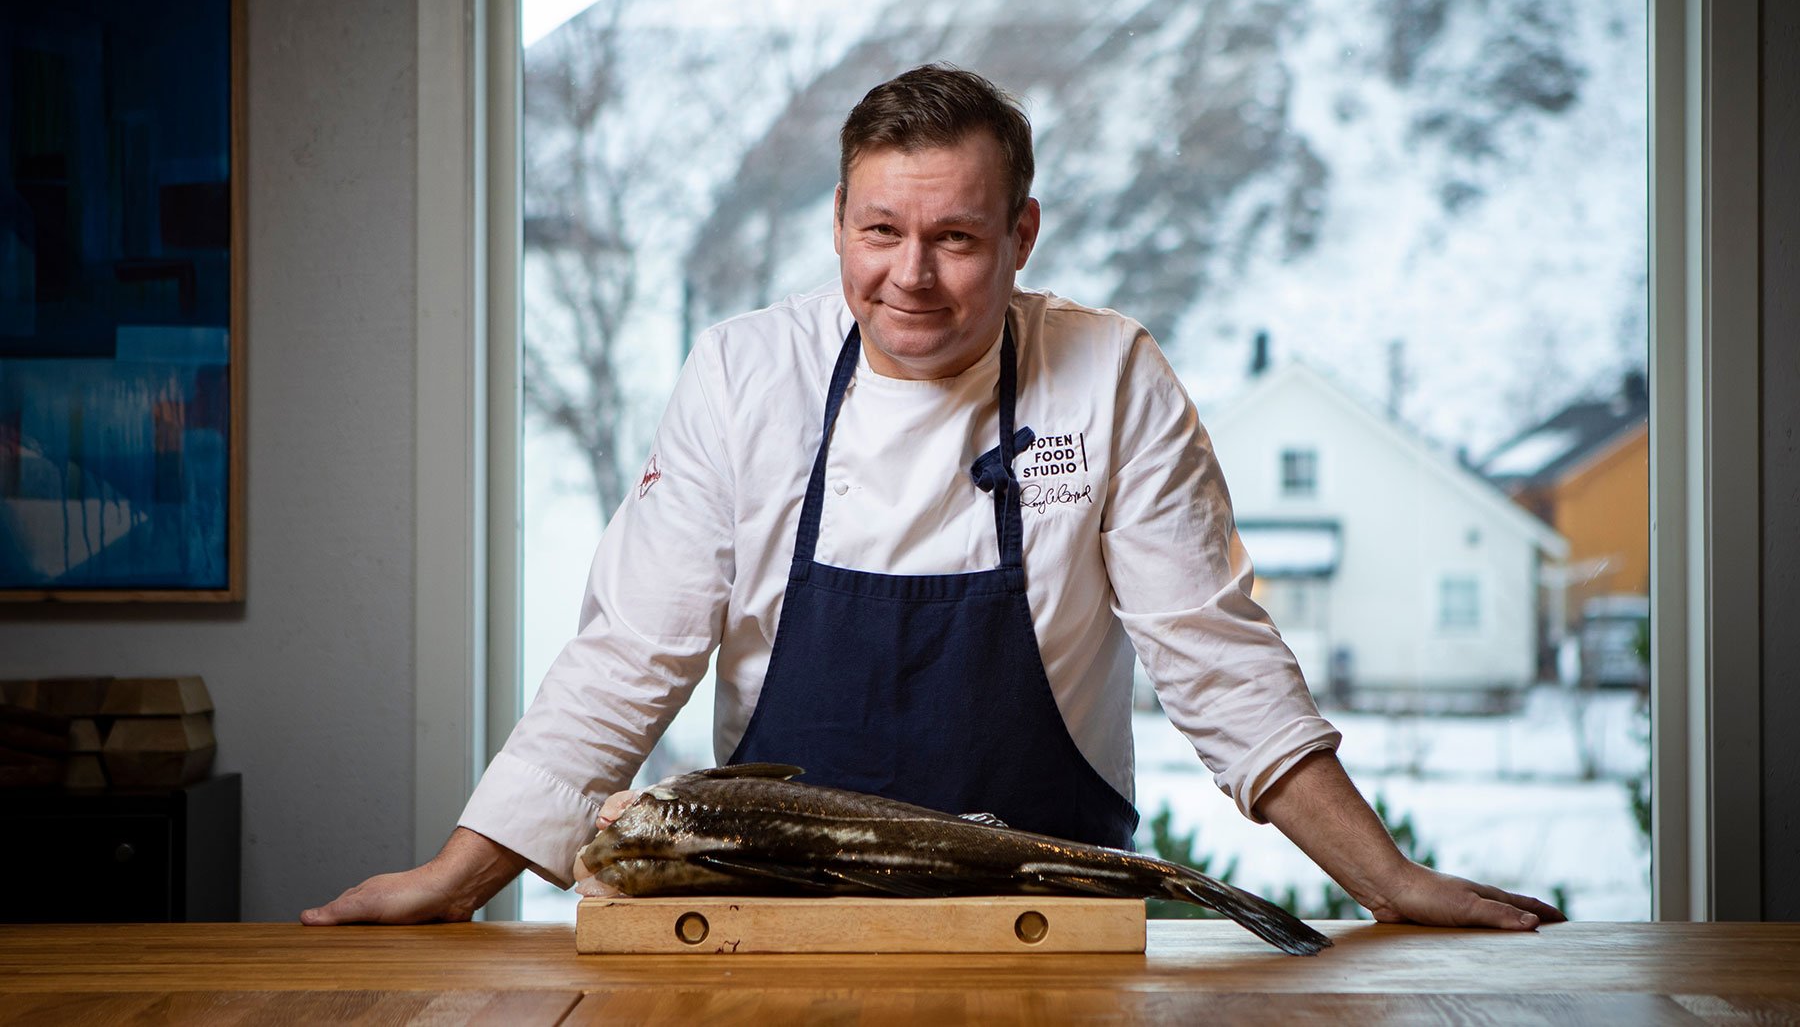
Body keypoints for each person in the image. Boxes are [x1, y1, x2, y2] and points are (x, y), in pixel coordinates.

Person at [304, 64, 1562, 930]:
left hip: (1050, 920)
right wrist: (460, 878)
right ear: (840, 225)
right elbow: (630, 653)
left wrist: (1385, 878)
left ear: (1021, 234)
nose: (910, 277)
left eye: (956, 238)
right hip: (770, 913)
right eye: (879, 232)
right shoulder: (747, 374)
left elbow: (1218, 662)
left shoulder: (1111, 376)